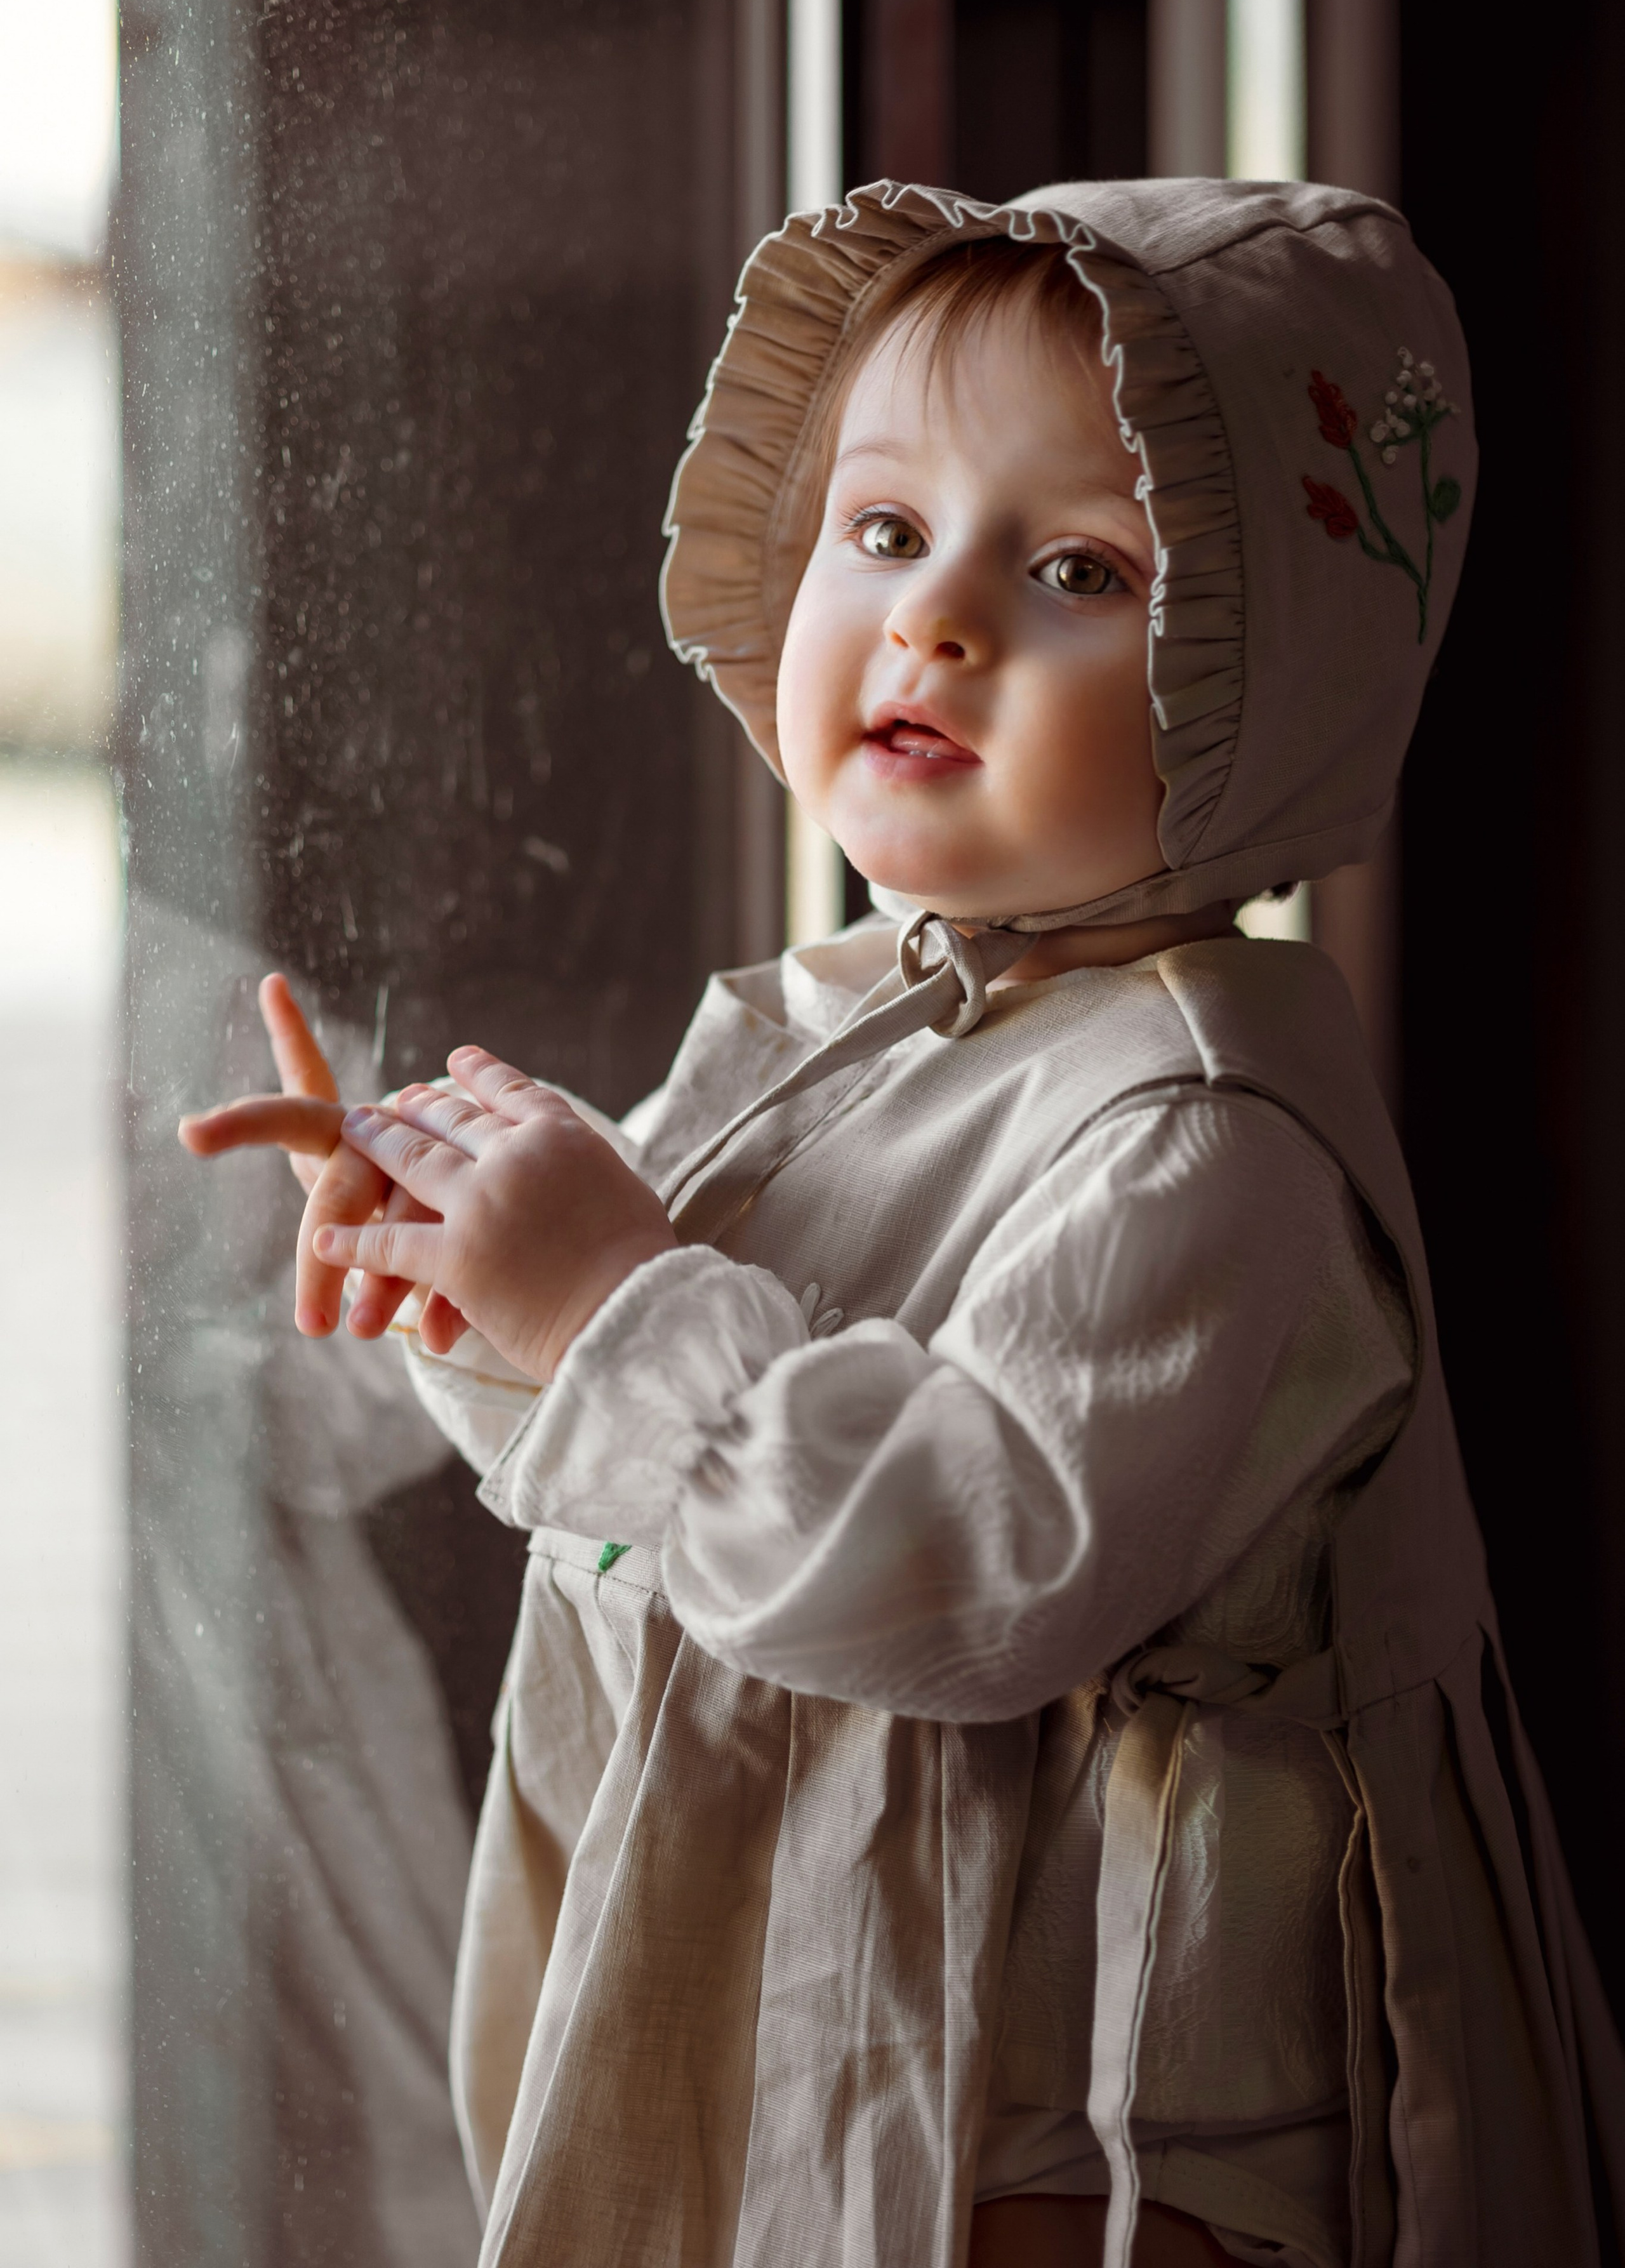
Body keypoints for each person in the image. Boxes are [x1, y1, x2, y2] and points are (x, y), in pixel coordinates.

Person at [182, 179, 1625, 2268]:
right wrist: (484, 1282)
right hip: (847, 2001)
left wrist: (613, 1290)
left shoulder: (1205, 1134)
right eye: (882, 533)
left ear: (1263, 685)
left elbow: (961, 1570)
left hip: (1102, 2110)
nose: (934, 621)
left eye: (1074, 571)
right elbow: (639, 1485)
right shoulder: (817, 1027)